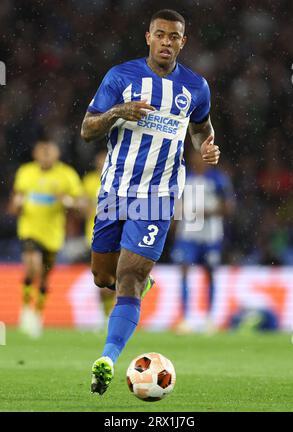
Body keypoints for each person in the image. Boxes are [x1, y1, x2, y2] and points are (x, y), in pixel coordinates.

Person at [80, 9, 220, 395]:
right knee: (103, 277)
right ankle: (141, 281)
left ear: (182, 42)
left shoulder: (195, 86)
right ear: (148, 37)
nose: (166, 42)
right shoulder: (120, 77)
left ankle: (107, 358)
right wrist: (117, 112)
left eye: (174, 37)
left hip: (158, 197)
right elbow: (87, 129)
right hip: (114, 190)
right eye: (160, 34)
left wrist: (207, 147)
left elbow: (201, 129)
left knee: (129, 278)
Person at [10, 139, 83, 338]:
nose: (45, 157)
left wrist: (67, 201)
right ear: (35, 154)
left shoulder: (66, 175)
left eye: (49, 153)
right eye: (42, 153)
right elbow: (15, 204)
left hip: (53, 235)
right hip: (29, 229)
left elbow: (81, 204)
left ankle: (38, 314)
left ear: (56, 155)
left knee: (43, 277)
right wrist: (17, 203)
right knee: (32, 265)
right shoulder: (25, 172)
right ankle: (25, 310)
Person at [171, 150, 235, 334]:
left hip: (210, 235)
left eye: (199, 156)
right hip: (188, 235)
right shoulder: (184, 177)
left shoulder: (218, 179)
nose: (196, 159)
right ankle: (185, 319)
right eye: (194, 156)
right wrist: (175, 224)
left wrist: (207, 212)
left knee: (210, 273)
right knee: (183, 270)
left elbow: (229, 207)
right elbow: (177, 204)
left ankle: (209, 319)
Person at [82, 150, 115, 323]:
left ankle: (111, 315)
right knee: (102, 279)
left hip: (116, 234)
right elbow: (85, 209)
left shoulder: (120, 181)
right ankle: (105, 315)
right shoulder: (89, 181)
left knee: (116, 278)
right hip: (94, 235)